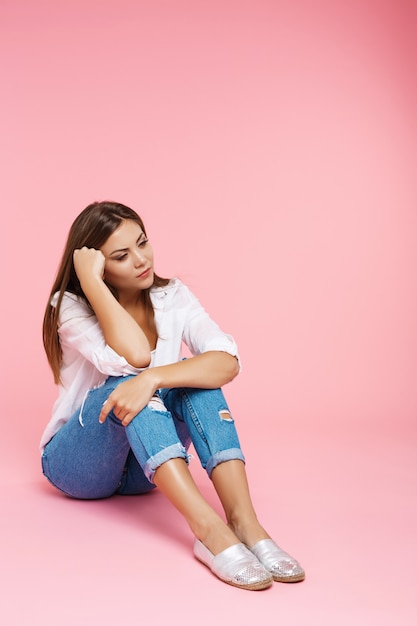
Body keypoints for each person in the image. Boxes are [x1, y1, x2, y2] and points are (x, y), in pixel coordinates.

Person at [41, 201, 305, 591]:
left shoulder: (172, 296)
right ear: (97, 266)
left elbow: (225, 361)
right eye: (120, 256)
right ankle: (210, 532)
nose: (140, 260)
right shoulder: (72, 307)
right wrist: (93, 285)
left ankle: (245, 523)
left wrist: (155, 380)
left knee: (196, 384)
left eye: (142, 243)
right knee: (125, 383)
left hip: (145, 471)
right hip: (78, 466)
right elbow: (136, 356)